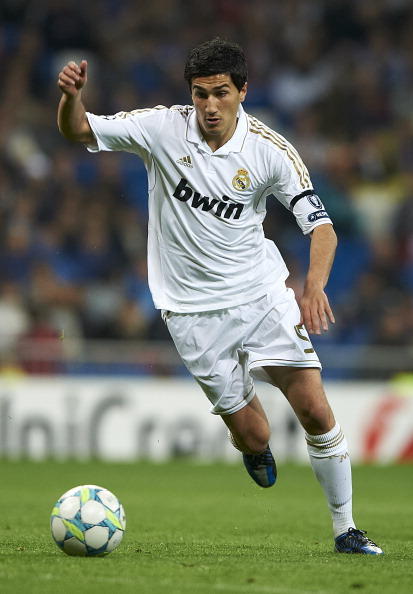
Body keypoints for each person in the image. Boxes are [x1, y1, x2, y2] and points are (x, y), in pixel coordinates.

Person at [57, 38, 383, 555]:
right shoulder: (161, 128)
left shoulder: (270, 151)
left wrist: (314, 284)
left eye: (221, 93)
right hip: (191, 312)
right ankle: (250, 446)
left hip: (260, 296)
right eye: (200, 93)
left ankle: (346, 530)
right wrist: (72, 97)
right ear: (190, 93)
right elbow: (78, 129)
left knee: (316, 411)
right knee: (255, 436)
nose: (210, 105)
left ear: (242, 91)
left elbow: (322, 227)